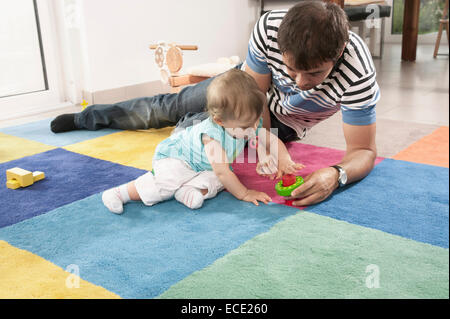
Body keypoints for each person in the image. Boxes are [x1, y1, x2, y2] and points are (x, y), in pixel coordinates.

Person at [52, 1, 378, 207]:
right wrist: (263, 141)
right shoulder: (269, 28)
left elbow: (363, 150)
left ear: (339, 52)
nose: (299, 83)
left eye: (315, 74)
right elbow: (255, 94)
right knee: (170, 107)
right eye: (291, 70)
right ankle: (87, 118)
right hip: (244, 94)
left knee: (197, 135)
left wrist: (336, 175)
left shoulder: (357, 70)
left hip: (285, 123)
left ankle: (189, 157)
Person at [101, 69, 303, 214]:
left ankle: (188, 190)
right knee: (169, 182)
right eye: (245, 127)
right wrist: (245, 194)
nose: (252, 128)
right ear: (219, 121)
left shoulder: (248, 122)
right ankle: (122, 193)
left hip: (205, 166)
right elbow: (223, 171)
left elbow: (271, 139)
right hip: (178, 158)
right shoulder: (211, 137)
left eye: (255, 120)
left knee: (218, 181)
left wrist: (284, 160)